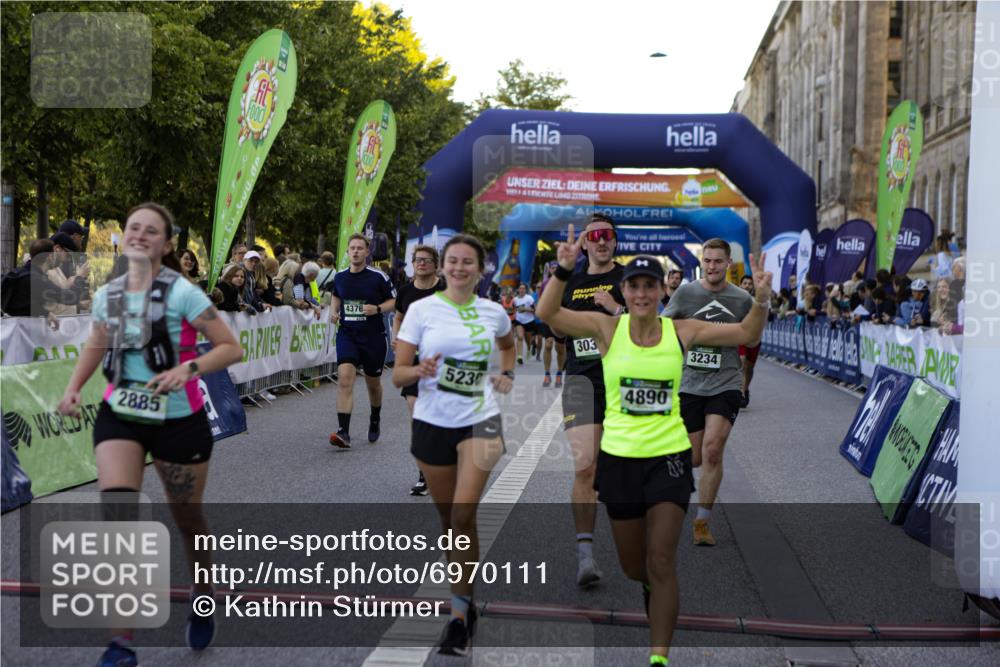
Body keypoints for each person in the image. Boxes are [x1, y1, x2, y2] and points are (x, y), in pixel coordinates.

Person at [536, 228, 771, 667]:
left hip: (669, 459)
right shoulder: (606, 328)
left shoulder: (682, 330)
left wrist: (761, 297)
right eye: (635, 286)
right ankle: (647, 586)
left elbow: (747, 331)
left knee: (662, 559)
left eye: (650, 286)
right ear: (624, 291)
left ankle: (658, 658)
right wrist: (565, 268)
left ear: (664, 291)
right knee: (634, 566)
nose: (642, 294)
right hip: (621, 460)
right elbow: (547, 311)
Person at [56, 202, 243, 667]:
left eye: (150, 230)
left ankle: (203, 594)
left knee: (188, 522)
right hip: (122, 413)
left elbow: (230, 348)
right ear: (124, 236)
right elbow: (98, 341)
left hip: (179, 420)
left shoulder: (183, 292)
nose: (140, 235)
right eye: (133, 228)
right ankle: (121, 642)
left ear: (166, 243)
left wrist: (188, 369)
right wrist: (74, 388)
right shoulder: (110, 293)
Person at [392, 233, 515, 656]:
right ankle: (468, 597)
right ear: (443, 267)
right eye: (453, 262)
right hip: (431, 423)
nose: (460, 268)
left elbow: (507, 345)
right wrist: (419, 370)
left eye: (468, 263)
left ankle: (458, 617)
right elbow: (398, 375)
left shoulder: (494, 312)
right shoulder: (422, 311)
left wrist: (508, 373)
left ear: (481, 270)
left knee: (463, 515)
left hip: (479, 420)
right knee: (450, 524)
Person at [664, 238, 754, 547]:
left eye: (718, 261)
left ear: (729, 263)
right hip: (690, 383)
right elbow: (664, 325)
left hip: (726, 382)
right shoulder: (686, 293)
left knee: (713, 449)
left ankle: (701, 522)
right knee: (694, 457)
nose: (712, 266)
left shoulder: (742, 299)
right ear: (702, 262)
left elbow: (753, 333)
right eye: (708, 260)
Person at [556, 212, 625, 588]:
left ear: (615, 241)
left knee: (619, 469)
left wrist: (615, 309)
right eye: (594, 235)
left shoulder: (628, 278)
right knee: (584, 465)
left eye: (607, 235)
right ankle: (585, 556)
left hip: (623, 382)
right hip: (581, 380)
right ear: (584, 241)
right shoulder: (572, 279)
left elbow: (655, 325)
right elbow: (551, 322)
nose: (600, 241)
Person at [329, 234, 396, 448]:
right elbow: (336, 295)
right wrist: (333, 311)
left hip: (373, 336)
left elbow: (394, 301)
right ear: (347, 252)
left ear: (367, 252)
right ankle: (343, 432)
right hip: (348, 333)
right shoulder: (340, 276)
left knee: (373, 383)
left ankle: (375, 417)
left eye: (360, 248)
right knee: (345, 378)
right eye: (352, 248)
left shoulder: (378, 277)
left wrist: (377, 309)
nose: (356, 251)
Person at [391, 245, 446, 495]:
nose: (421, 264)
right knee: (416, 413)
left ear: (436, 265)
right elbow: (399, 317)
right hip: (414, 362)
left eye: (426, 260)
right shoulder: (405, 291)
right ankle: (424, 475)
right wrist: (396, 336)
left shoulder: (445, 290)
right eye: (417, 260)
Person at [1, 238, 80, 317]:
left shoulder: (21, 273)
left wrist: (46, 313)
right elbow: (67, 297)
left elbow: (24, 306)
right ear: (50, 257)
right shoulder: (37, 280)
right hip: (24, 327)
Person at [737, 274, 761, 408]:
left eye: (749, 284)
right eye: (744, 283)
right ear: (740, 285)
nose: (747, 286)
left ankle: (745, 389)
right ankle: (740, 393)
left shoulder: (757, 301)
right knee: (741, 361)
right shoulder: (735, 300)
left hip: (754, 338)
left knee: (749, 368)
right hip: (740, 335)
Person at [512, 283, 535, 364]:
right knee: (520, 337)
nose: (521, 290)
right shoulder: (515, 300)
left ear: (526, 290)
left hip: (529, 321)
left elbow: (534, 310)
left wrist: (525, 309)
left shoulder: (529, 298)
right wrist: (513, 314)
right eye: (520, 288)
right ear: (518, 290)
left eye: (523, 288)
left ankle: (529, 348)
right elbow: (513, 309)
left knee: (528, 340)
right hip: (519, 321)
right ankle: (519, 356)